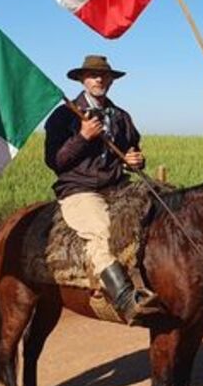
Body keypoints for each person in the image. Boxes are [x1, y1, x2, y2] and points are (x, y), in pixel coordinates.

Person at [44, 55, 159, 325]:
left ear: (111, 80)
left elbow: (132, 149)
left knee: (161, 214)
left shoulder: (120, 116)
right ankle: (124, 299)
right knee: (102, 231)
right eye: (93, 75)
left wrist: (134, 160)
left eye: (104, 76)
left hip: (118, 186)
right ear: (82, 79)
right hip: (80, 189)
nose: (99, 79)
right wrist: (83, 137)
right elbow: (55, 161)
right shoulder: (64, 116)